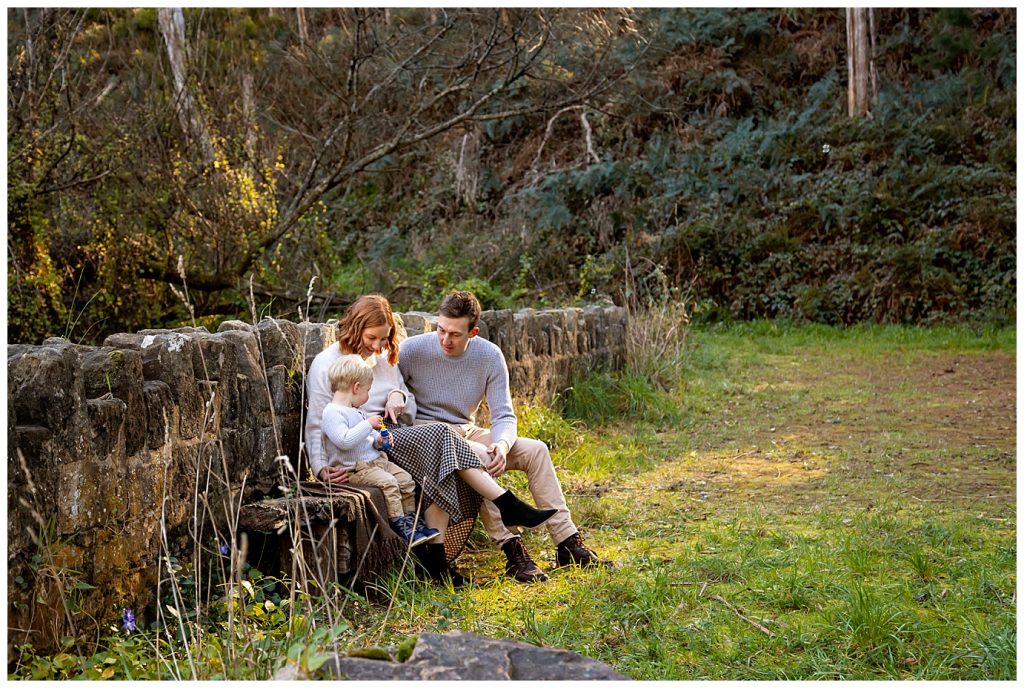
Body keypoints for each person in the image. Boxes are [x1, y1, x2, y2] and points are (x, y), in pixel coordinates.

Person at [305, 294, 555, 586]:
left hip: (391, 436)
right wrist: (320, 468)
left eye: (383, 339)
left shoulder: (384, 360)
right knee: (441, 432)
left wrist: (398, 397)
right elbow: (316, 423)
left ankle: (436, 566)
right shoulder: (328, 364)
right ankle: (506, 504)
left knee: (444, 453)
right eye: (372, 337)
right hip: (360, 449)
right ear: (355, 327)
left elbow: (408, 407)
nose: (377, 346)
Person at [399, 290, 612, 583]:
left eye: (455, 334)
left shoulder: (489, 356)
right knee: (474, 455)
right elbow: (387, 394)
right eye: (441, 330)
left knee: (535, 450)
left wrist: (501, 444)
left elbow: (503, 414)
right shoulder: (411, 350)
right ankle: (513, 551)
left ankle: (568, 543)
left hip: (467, 430)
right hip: (428, 437)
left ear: (472, 332)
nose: (445, 340)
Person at [320, 354, 440, 547]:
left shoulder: (356, 410)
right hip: (355, 469)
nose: (368, 396)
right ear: (356, 387)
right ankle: (399, 526)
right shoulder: (332, 413)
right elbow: (344, 441)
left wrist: (378, 440)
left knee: (405, 480)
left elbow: (364, 440)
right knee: (390, 483)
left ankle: (412, 522)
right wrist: (368, 424)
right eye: (367, 390)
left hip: (377, 461)